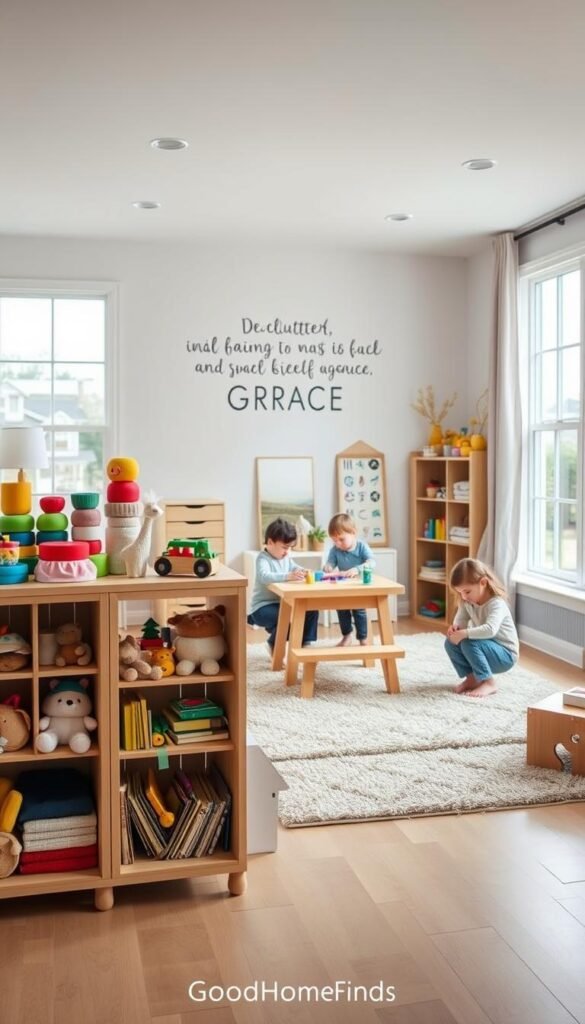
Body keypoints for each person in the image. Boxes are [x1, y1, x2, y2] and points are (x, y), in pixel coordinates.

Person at [445, 557, 519, 697]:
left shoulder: (496, 604)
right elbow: (461, 619)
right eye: (460, 592)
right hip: (485, 648)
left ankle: (489, 682)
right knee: (450, 642)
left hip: (505, 655)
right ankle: (472, 679)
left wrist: (465, 633)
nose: (464, 597)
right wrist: (455, 629)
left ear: (483, 583)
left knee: (468, 642)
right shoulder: (468, 602)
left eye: (467, 592)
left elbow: (490, 629)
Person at [247, 518, 319, 653]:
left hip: (282, 605)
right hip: (262, 608)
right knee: (288, 616)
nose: (287, 552)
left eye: (290, 548)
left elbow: (294, 567)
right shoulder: (263, 558)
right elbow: (264, 576)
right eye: (284, 547)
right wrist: (287, 576)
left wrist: (304, 571)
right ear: (270, 542)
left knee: (311, 609)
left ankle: (306, 643)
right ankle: (272, 643)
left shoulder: (285, 558)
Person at [323, 513, 375, 647]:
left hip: (359, 586)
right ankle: (347, 636)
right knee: (341, 610)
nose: (338, 543)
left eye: (341, 539)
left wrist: (357, 569)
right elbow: (330, 563)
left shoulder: (362, 547)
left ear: (353, 533)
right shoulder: (335, 550)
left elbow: (372, 562)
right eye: (334, 540)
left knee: (359, 611)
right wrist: (328, 567)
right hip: (343, 586)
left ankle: (363, 638)